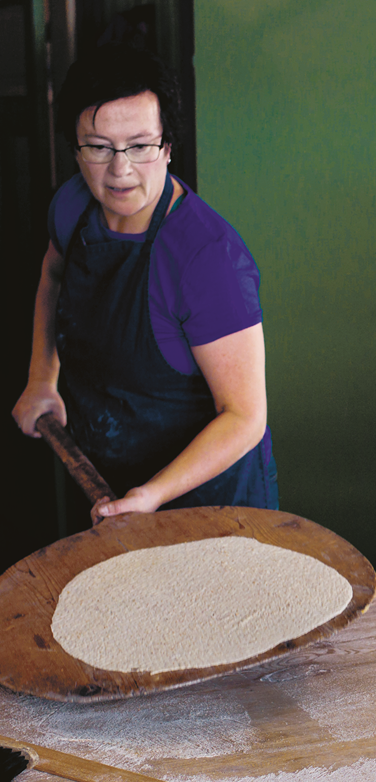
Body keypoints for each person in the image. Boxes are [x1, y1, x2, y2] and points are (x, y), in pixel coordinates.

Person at [12, 43, 277, 523]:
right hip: (111, 489)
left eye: (140, 146)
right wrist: (40, 380)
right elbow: (51, 277)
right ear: (74, 147)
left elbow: (244, 417)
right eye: (98, 147)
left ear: (168, 145)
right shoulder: (72, 208)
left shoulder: (208, 258)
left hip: (211, 507)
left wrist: (151, 496)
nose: (120, 170)